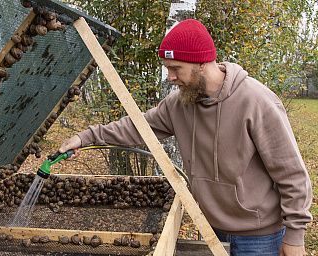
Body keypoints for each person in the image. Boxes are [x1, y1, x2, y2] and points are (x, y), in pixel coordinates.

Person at [58, 19, 312, 256]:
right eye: (168, 68)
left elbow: (291, 174)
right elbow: (136, 127)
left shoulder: (257, 102)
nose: (170, 77)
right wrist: (85, 137)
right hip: (212, 227)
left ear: (201, 63)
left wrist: (295, 236)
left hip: (260, 237)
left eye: (175, 68)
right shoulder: (179, 104)